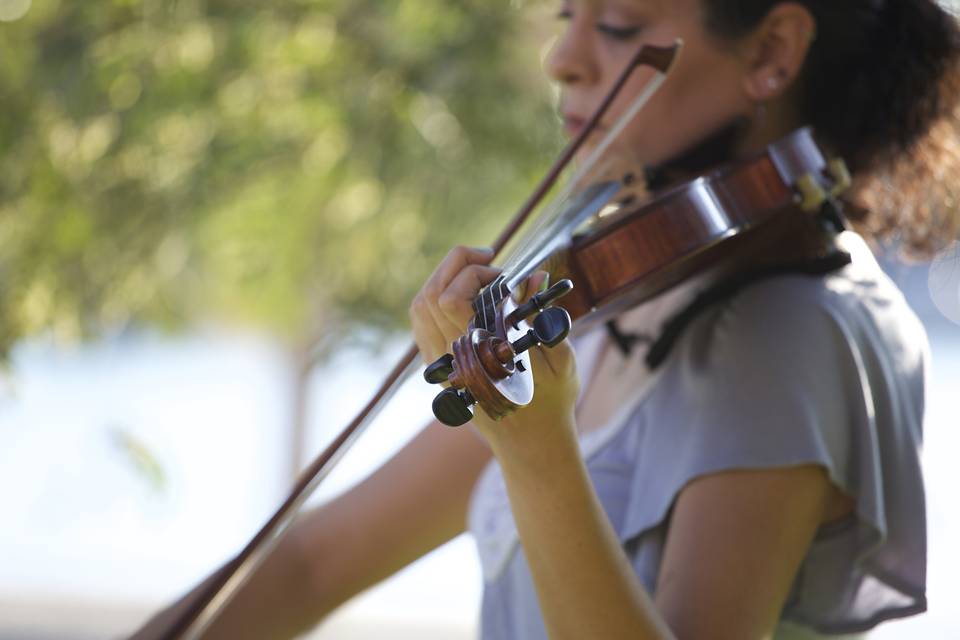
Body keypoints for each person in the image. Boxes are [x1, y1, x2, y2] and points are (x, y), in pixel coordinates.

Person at [131, 1, 960, 638]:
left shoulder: (789, 335)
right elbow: (314, 566)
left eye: (619, 26)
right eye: (569, 18)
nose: (562, 59)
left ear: (772, 52)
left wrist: (536, 457)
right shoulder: (620, 298)